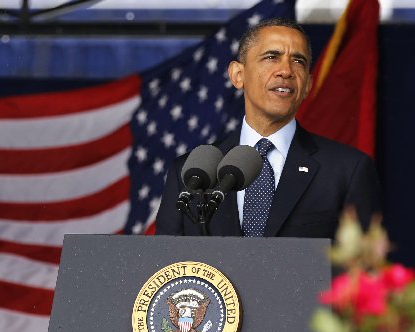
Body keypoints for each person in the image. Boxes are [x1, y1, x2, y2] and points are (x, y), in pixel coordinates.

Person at [155, 18, 382, 238]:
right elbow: (166, 267)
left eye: (298, 61)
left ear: (307, 86)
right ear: (238, 75)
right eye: (272, 57)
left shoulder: (347, 171)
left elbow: (361, 270)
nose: (286, 71)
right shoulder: (191, 174)